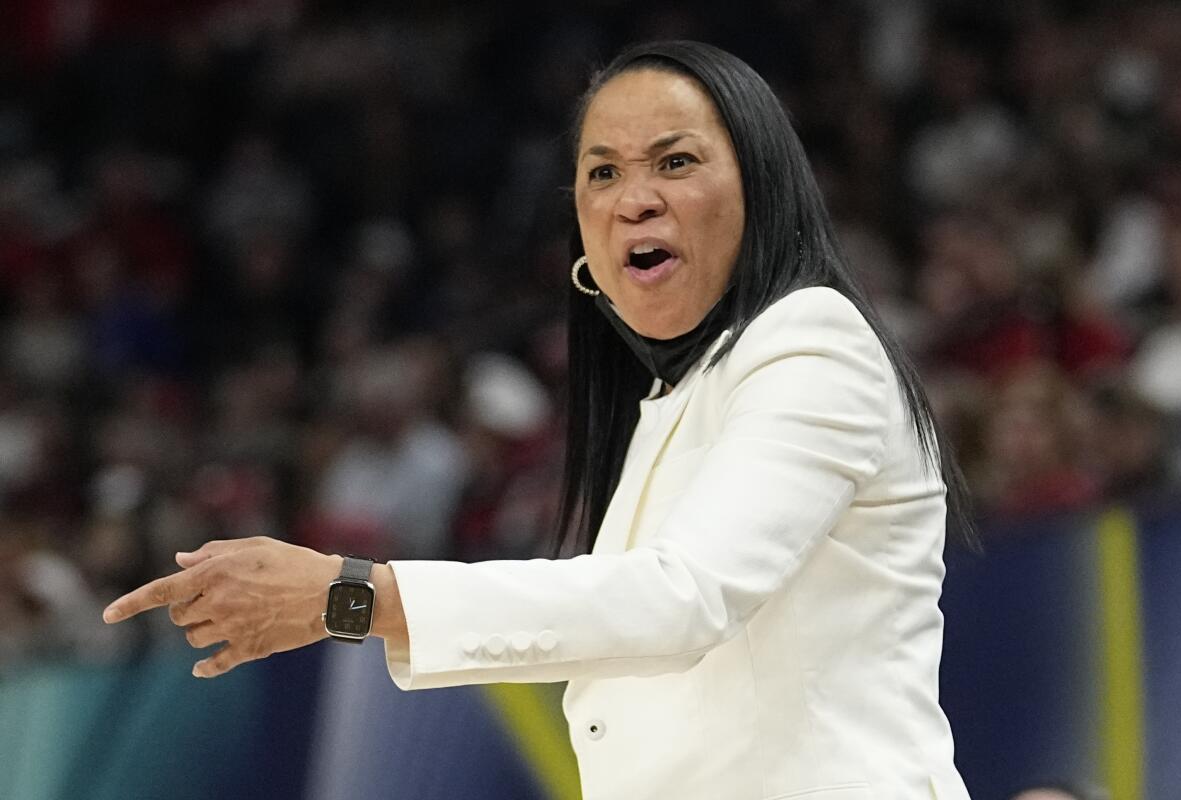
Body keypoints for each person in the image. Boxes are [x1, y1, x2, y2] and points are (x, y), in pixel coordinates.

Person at [104, 41, 975, 799]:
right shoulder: (671, 401)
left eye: (675, 162)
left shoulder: (811, 341)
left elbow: (682, 599)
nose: (632, 198)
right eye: (603, 171)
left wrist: (352, 595)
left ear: (765, 188)